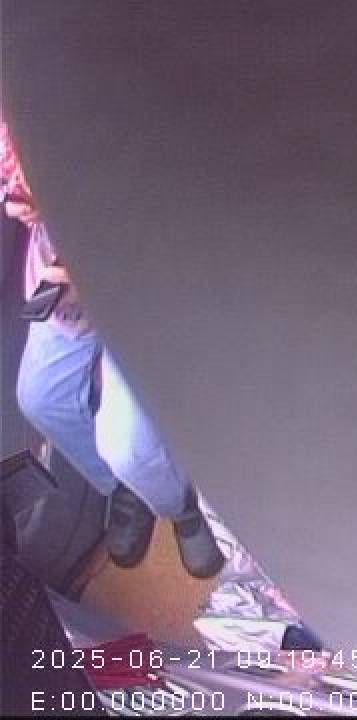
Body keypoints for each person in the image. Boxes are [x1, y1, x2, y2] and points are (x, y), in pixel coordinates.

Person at [2, 114, 225, 578]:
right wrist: (22, 200)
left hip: (140, 252)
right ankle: (129, 486)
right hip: (59, 261)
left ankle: (180, 503)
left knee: (126, 442)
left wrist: (96, 262)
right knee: (40, 399)